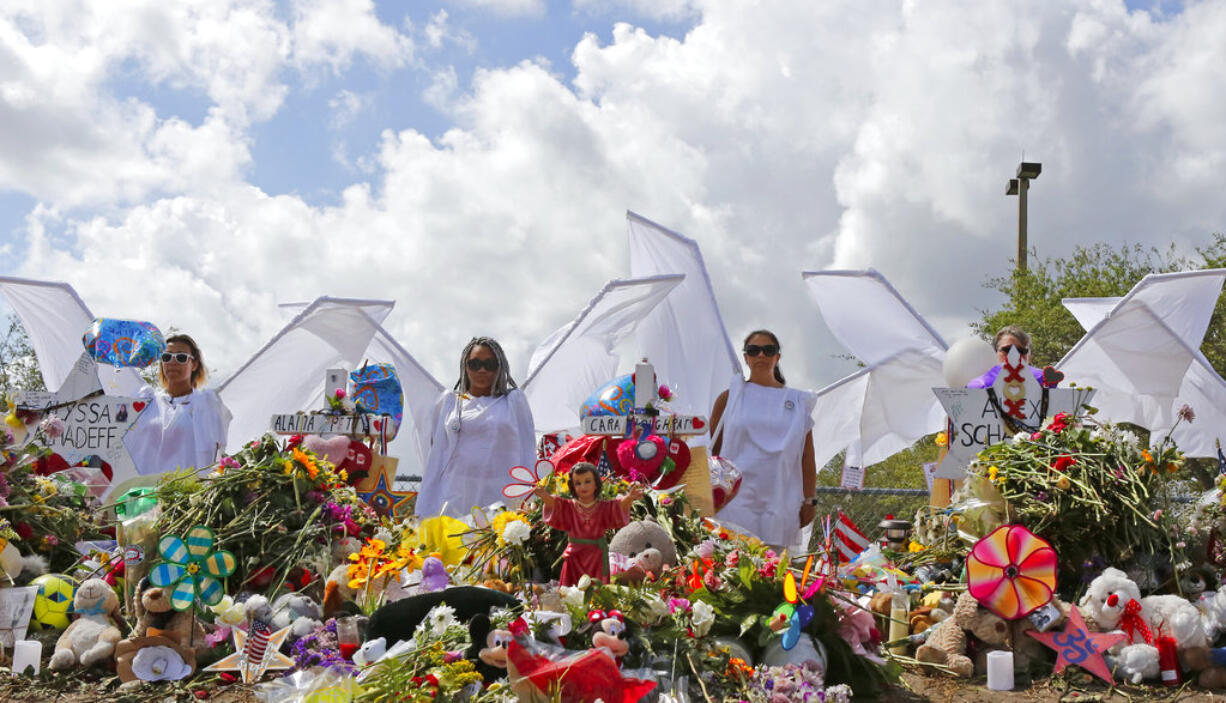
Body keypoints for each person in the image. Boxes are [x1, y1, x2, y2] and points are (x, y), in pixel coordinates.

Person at [708, 330, 817, 548]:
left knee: (771, 573)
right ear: (746, 357)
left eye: (768, 350)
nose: (761, 355)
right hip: (734, 501)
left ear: (777, 357)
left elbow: (807, 458)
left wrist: (809, 500)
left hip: (779, 501)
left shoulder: (798, 402)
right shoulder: (729, 397)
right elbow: (712, 450)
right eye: (753, 350)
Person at [416, 337, 536, 517]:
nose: (482, 370)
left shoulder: (513, 402)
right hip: (455, 495)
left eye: (490, 364)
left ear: (500, 367)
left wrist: (531, 497)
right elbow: (437, 455)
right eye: (475, 364)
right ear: (465, 366)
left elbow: (528, 451)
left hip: (501, 495)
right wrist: (426, 502)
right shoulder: (450, 403)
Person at [125, 334, 232, 475]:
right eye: (166, 357)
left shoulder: (206, 402)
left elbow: (215, 449)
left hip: (188, 490)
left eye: (181, 358)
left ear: (194, 364)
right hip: (144, 491)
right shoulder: (145, 400)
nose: (172, 362)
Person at [534, 462, 643, 586]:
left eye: (587, 481)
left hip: (596, 556)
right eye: (578, 483)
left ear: (596, 483)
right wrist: (544, 496)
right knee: (571, 591)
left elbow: (618, 506)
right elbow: (555, 505)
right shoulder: (569, 506)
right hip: (575, 556)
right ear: (572, 486)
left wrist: (630, 498)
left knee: (596, 591)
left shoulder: (603, 507)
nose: (583, 486)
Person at [966, 326, 1045, 388]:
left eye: (1021, 351)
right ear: (995, 352)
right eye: (1007, 349)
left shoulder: (1044, 381)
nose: (1014, 355)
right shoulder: (979, 386)